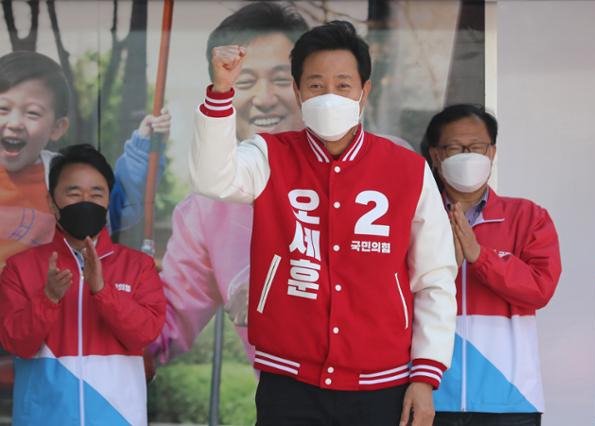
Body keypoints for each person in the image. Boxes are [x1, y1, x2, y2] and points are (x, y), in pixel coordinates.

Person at [191, 20, 457, 426]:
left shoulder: (407, 169)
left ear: (364, 91)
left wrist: (425, 374)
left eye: (343, 85)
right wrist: (221, 93)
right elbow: (213, 177)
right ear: (298, 93)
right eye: (315, 85)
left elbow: (434, 277)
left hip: (383, 384)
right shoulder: (268, 155)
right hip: (289, 382)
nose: (329, 95)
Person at [150, 1, 308, 365]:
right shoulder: (207, 209)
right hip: (284, 403)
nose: (264, 99)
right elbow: (167, 325)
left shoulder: (377, 168)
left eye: (282, 80)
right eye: (245, 82)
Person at [0, 144, 166, 425]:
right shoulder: (20, 267)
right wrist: (48, 298)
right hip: (42, 418)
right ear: (52, 202)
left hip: (118, 418)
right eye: (74, 193)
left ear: (107, 201)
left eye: (96, 194)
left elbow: (144, 335)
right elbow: (17, 343)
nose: (85, 201)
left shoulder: (138, 266)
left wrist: (103, 291)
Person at [421, 104, 561, 426]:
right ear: (436, 155)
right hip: (430, 393)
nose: (467, 155)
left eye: (477, 147)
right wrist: (445, 267)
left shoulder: (527, 217)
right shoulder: (418, 217)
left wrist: (480, 256)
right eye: (455, 148)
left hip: (510, 399)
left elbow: (539, 288)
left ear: (492, 152)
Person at [0, 50, 171, 270]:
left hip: (45, 299)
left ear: (57, 128)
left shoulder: (59, 173)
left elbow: (117, 206)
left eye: (32, 113)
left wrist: (144, 148)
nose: (14, 123)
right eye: (2, 109)